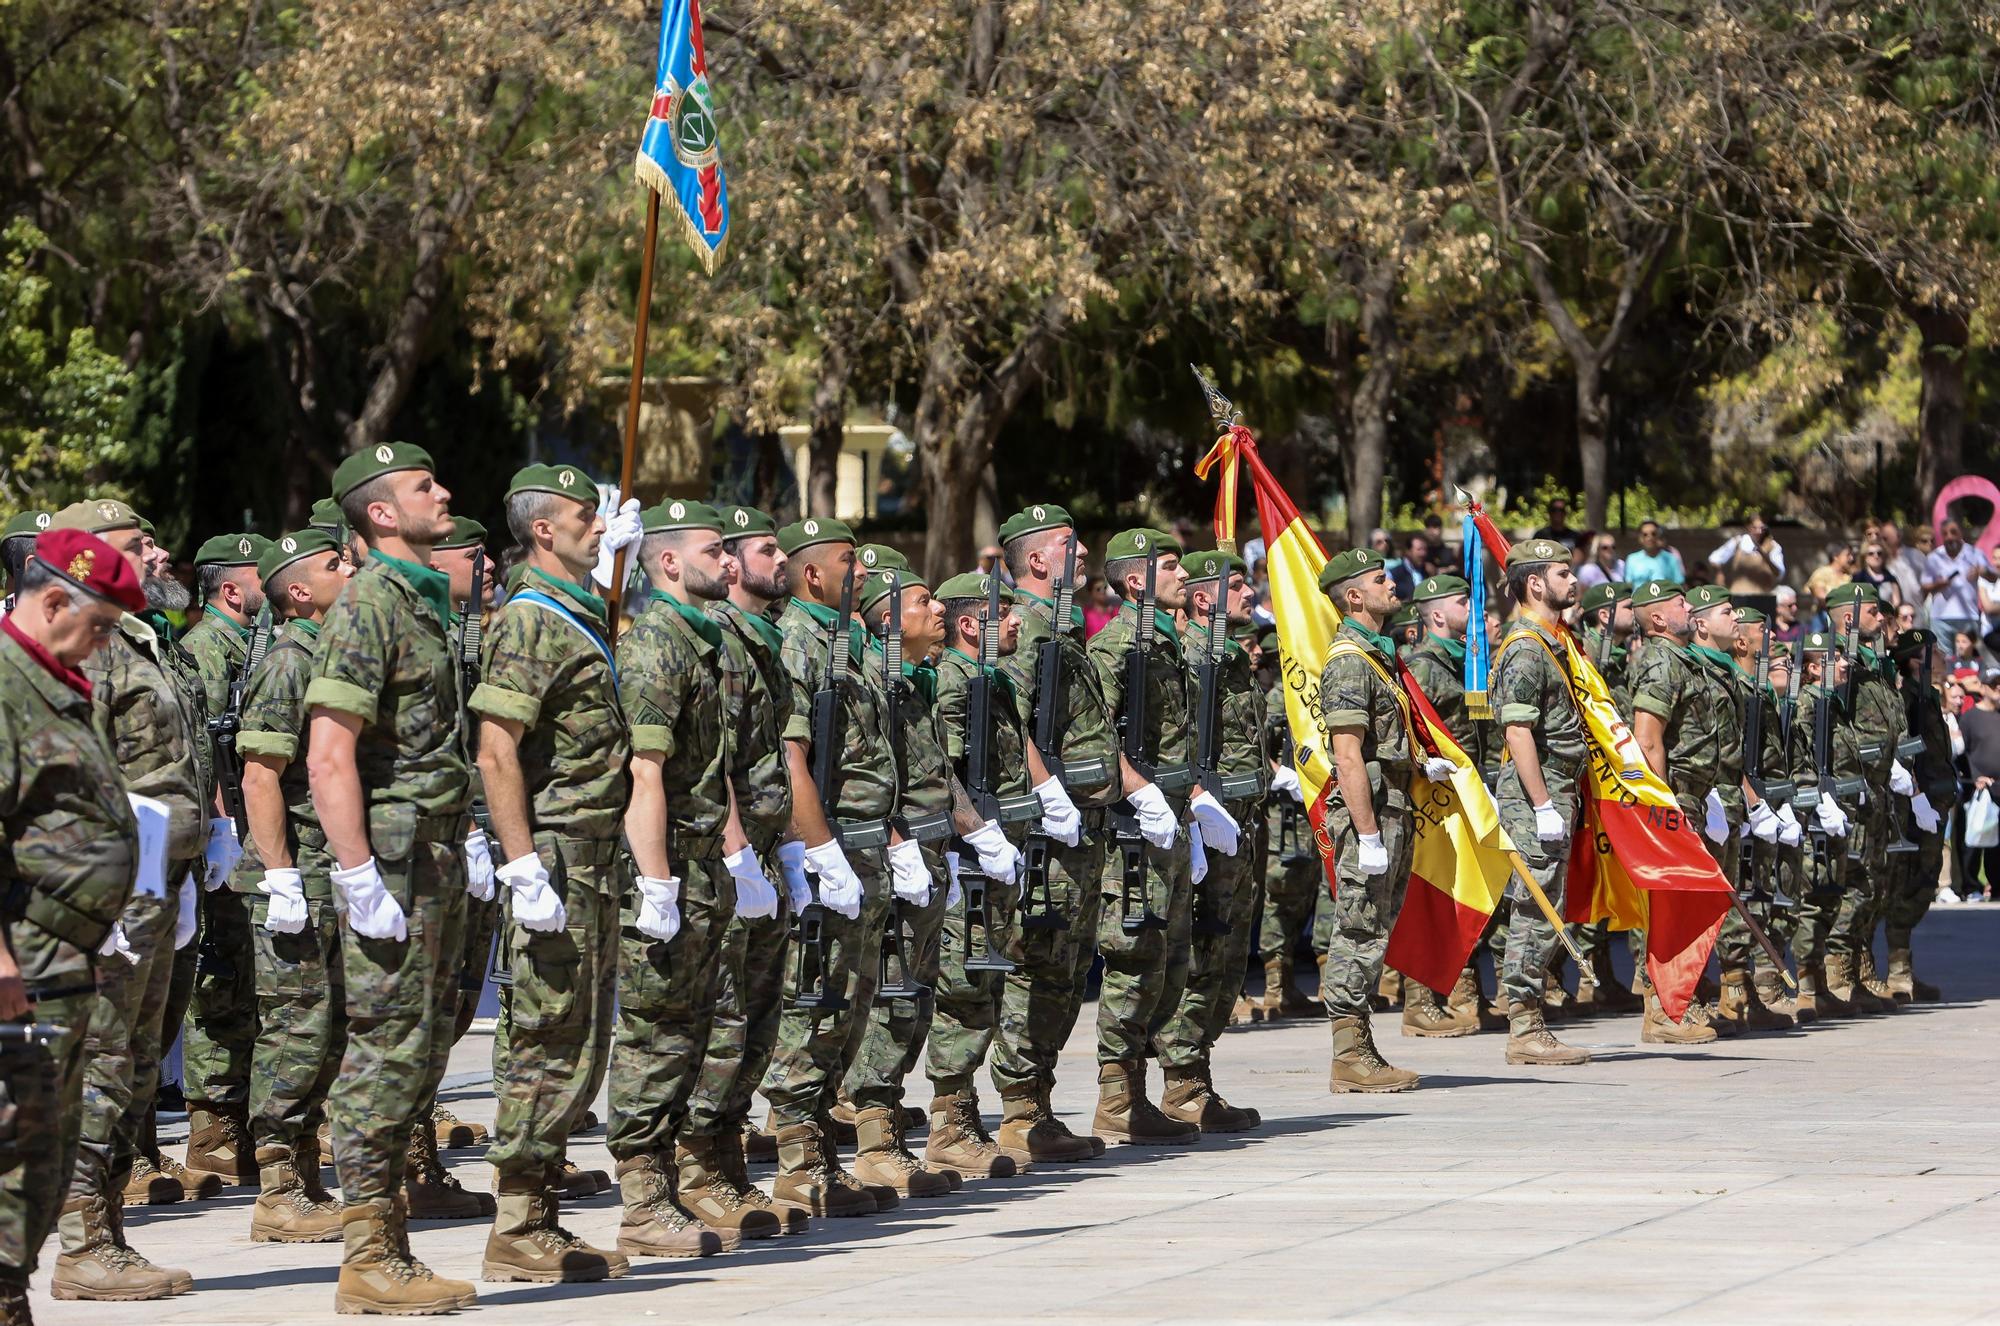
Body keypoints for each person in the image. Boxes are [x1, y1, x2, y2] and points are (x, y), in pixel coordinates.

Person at [303, 443, 476, 1313]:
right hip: (397, 864)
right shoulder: (370, 603)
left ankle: (389, 1245)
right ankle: (368, 1255)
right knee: (384, 1052)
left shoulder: (423, 602)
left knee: (418, 1053)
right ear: (380, 513)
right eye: (422, 486)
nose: (441, 493)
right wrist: (357, 874)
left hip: (436, 853)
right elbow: (329, 754)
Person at [472, 464, 642, 1280]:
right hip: (560, 853)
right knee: (546, 1036)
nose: (598, 526)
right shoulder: (528, 621)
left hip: (596, 852)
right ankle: (517, 1222)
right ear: (544, 530)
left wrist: (621, 577)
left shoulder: (575, 611)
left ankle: (540, 1208)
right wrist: (523, 864)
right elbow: (496, 746)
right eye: (585, 516)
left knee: (580, 1037)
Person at [45, 499, 203, 1302]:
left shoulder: (143, 640)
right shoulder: (92, 647)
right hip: (113, 888)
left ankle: (108, 1226)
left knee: (137, 1066)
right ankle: (79, 1242)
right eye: (138, 544)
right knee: (100, 1064)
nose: (157, 552)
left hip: (155, 882)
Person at [611, 498, 778, 1253]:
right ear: (671, 563)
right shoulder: (656, 647)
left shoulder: (702, 641)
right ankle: (644, 1200)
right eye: (715, 552)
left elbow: (724, 769)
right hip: (671, 865)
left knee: (696, 1031)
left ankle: (684, 1181)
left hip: (705, 865)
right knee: (656, 1035)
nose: (729, 562)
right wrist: (656, 881)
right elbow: (645, 773)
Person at [0, 529, 145, 1322]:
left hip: (63, 962)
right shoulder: (5, 684)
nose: (102, 647)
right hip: (21, 966)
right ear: (53, 600)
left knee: (42, 1163)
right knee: (13, 1163)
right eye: (99, 627)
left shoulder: (55, 681)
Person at [761, 516, 892, 1217]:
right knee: (811, 1005)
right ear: (815, 575)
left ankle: (823, 1153)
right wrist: (817, 850)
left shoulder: (852, 640)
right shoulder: (799, 641)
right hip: (831, 846)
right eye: (850, 561)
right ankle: (796, 1159)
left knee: (849, 1003)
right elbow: (793, 757)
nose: (863, 570)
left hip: (866, 845)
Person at [682, 504, 808, 1231]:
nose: (776, 560)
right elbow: (718, 761)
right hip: (733, 856)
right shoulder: (725, 643)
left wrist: (788, 843)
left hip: (763, 848)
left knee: (760, 1018)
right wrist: (737, 851)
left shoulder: (762, 642)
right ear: (730, 562)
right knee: (725, 1018)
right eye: (765, 550)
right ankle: (698, 1165)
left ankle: (726, 1157)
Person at [236, 530, 354, 1244]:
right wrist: (280, 875)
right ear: (300, 591)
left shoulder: (329, 652)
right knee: (295, 1032)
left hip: (326, 872)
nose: (350, 570)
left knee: (327, 1030)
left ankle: (306, 1178)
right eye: (334, 564)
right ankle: (278, 1187)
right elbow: (260, 774)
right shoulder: (289, 660)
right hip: (296, 874)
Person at [991, 503, 1118, 1162]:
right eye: (1071, 545)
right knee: (1036, 969)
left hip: (1082, 827)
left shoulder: (1061, 632)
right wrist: (1046, 793)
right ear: (1037, 559)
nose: (1085, 556)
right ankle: (1018, 1109)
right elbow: (1011, 725)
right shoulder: (1024, 633)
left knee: (1067, 974)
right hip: (1046, 831)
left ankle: (1037, 1101)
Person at [1087, 528, 1216, 1142]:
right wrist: (1141, 794)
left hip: (1171, 819)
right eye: (1170, 566)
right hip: (1132, 830)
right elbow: (1099, 741)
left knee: (1170, 960)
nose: (1184, 574)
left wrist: (1191, 801)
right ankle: (1118, 1099)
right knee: (1133, 960)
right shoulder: (1116, 647)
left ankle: (1147, 1093)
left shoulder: (1171, 645)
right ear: (1136, 581)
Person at [1153, 550, 1264, 1131]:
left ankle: (1199, 1073)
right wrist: (1196, 808)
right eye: (1237, 584)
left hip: (1242, 818)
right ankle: (1182, 1081)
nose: (1250, 593)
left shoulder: (1229, 655)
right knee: (1203, 948)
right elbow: (1185, 738)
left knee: (1227, 952)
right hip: (1211, 821)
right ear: (1203, 598)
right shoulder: (1195, 655)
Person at [178, 532, 273, 1189]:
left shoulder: (247, 645)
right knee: (219, 974)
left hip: (246, 829)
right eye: (259, 574)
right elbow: (208, 743)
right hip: (225, 833)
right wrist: (220, 827)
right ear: (232, 590)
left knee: (244, 975)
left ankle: (234, 1114)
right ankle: (212, 1128)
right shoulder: (205, 649)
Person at [1314, 547, 1423, 1091]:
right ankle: (1349, 1056)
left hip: (1393, 808)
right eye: (1381, 580)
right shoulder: (1350, 661)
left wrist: (1427, 763)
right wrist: (1368, 833)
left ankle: (1361, 1048)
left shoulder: (1377, 657)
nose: (1392, 586)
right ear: (1354, 596)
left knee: (1375, 929)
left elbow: (1385, 742)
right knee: (1357, 929)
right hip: (1372, 816)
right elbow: (1348, 752)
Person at [1483, 541, 1594, 1065]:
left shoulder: (1554, 640)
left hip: (1557, 787)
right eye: (1562, 573)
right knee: (1535, 908)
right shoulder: (1527, 647)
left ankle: (1531, 1017)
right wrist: (1543, 804)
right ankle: (1523, 1028)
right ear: (1534, 584)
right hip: (1537, 793)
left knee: (1548, 908)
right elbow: (1518, 731)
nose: (1573, 580)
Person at [1627, 580, 1723, 1046]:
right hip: (1675, 796)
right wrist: (1663, 804)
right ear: (1659, 618)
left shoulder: (1680, 659)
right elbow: (1647, 736)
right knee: (1672, 907)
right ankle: (1663, 1012)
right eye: (1680, 602)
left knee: (1686, 905)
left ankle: (1679, 1003)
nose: (1690, 606)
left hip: (1694, 794)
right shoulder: (1661, 660)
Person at [1399, 573, 1495, 1032]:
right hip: (1434, 797)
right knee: (1433, 891)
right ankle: (1419, 1001)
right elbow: (1407, 729)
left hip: (1470, 794)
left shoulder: (1469, 663)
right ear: (1437, 614)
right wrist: (1423, 762)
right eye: (1463, 602)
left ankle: (1462, 991)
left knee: (1470, 891)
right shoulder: (1422, 667)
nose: (1473, 611)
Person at [1886, 629, 1954, 1001]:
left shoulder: (1927, 697)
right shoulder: (1910, 698)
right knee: (1910, 884)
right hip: (1919, 803)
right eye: (1934, 652)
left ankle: (1903, 968)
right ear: (1917, 661)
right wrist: (1917, 799)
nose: (1943, 656)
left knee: (1925, 883)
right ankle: (1898, 972)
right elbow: (1906, 751)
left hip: (1934, 801)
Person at [1923, 519, 1999, 642]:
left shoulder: (1975, 554)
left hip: (1969, 617)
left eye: (1953, 532)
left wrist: (1982, 571)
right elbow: (1924, 587)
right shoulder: (1934, 557)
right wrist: (1938, 584)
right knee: (1944, 660)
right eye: (1945, 533)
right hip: (1940, 619)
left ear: (1961, 533)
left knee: (1970, 659)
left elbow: (1994, 577)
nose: (1949, 537)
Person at [1709, 512, 1786, 593]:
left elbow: (1779, 573)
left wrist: (1763, 554)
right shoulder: (1738, 542)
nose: (1759, 531)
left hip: (1762, 597)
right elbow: (1714, 558)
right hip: (1739, 596)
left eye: (1762, 528)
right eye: (1754, 528)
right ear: (1748, 527)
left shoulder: (1773, 546)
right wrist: (1719, 574)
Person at [1880, 520, 1927, 618]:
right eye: (1883, 538)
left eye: (1886, 538)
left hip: (1916, 614)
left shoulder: (1915, 555)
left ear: (1898, 536)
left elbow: (1926, 583)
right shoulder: (1879, 560)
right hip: (1892, 616)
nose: (1883, 541)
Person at [1623, 520, 1684, 587]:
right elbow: (1628, 587)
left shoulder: (1670, 559)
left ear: (1658, 536)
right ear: (1640, 538)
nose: (1649, 537)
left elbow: (1679, 586)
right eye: (1645, 535)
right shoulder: (1632, 560)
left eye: (1653, 534)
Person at [1803, 541, 1856, 608]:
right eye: (1848, 555)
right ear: (1835, 556)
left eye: (1852, 555)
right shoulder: (1822, 573)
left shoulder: (1849, 576)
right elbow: (1821, 598)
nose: (1851, 558)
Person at [1369, 530, 1416, 600]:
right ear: (1371, 545)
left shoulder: (1399, 563)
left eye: (1386, 541)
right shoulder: (1367, 565)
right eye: (1379, 542)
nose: (1384, 544)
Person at [1855, 541, 1902, 608]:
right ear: (1865, 557)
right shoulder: (1858, 578)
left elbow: (1897, 602)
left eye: (1879, 553)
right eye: (1871, 553)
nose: (1876, 556)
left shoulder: (1890, 578)